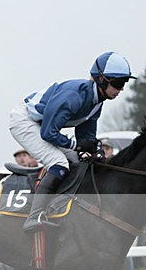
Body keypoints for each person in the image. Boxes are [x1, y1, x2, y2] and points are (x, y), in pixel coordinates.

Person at [10, 51, 136, 233]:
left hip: (41, 125)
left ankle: (61, 206)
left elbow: (87, 139)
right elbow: (48, 133)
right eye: (118, 83)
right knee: (59, 162)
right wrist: (75, 146)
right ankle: (34, 216)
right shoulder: (73, 96)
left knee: (79, 162)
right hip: (24, 121)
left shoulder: (96, 103)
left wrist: (95, 151)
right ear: (101, 80)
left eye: (124, 83)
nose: (121, 89)